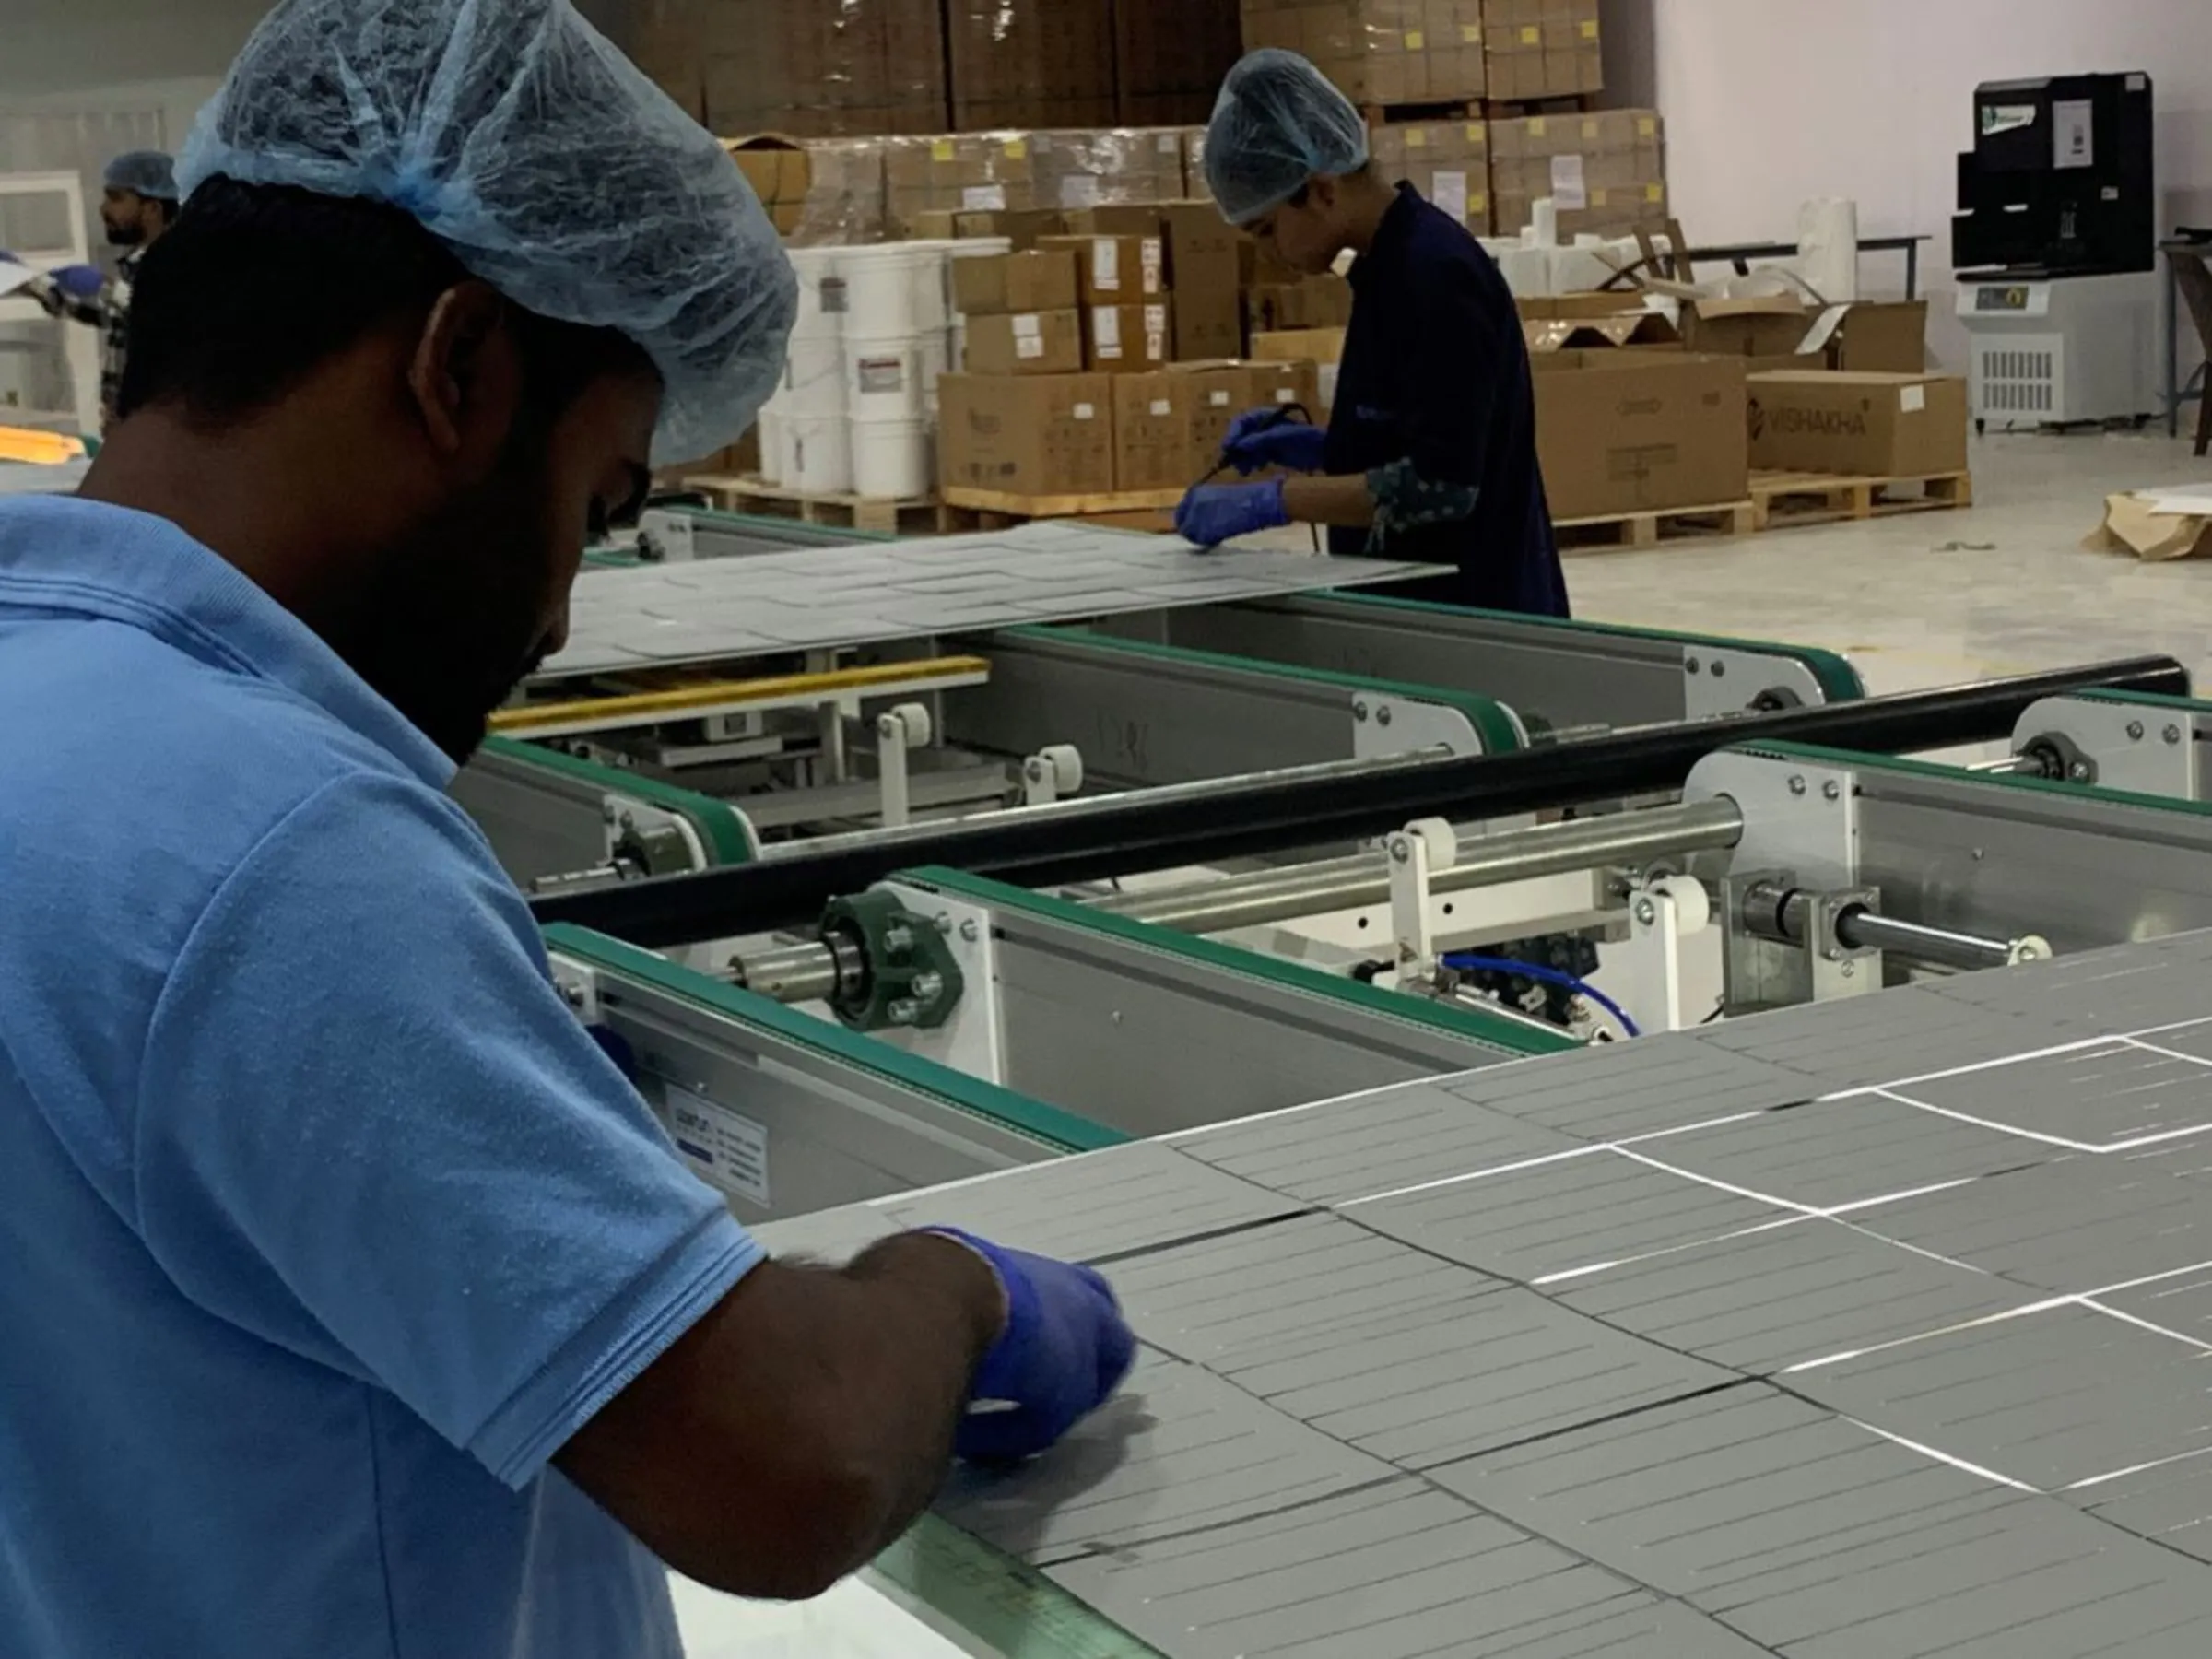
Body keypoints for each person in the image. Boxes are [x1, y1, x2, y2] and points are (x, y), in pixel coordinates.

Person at [0, 3, 1132, 1656]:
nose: (557, 616)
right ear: (456, 366)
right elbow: (786, 1469)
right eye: (597, 508)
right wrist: (954, 1292)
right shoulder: (279, 848)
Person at [1176, 49, 1570, 618]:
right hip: (1417, 602)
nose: (1271, 255)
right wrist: (1321, 448)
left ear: (1321, 190)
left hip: (1478, 612)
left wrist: (1276, 501)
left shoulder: (1437, 275)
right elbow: (1414, 430)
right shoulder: (1386, 270)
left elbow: (1441, 484)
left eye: (1266, 231)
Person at [25, 149, 181, 420]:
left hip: (165, 431)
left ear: (152, 208)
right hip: (132, 427)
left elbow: (150, 308)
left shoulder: (183, 263)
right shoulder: (137, 266)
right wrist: (28, 282)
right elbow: (110, 315)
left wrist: (102, 288)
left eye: (116, 198)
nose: (103, 208)